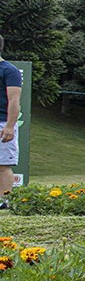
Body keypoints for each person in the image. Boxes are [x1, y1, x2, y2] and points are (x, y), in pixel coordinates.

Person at [0, 34, 23, 209]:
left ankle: (4, 202)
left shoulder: (9, 70)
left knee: (2, 166)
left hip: (2, 123)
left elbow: (14, 100)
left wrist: (9, 126)